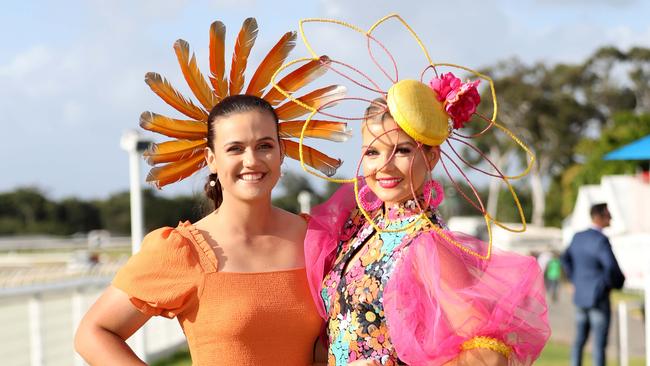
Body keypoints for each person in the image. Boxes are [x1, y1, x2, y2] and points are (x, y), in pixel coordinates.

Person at [280, 14, 551, 366]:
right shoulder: (358, 228)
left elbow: (488, 356)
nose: (385, 166)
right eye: (372, 152)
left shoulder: (428, 246)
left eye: (402, 151)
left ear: (431, 156)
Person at [75, 17, 346, 365]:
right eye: (235, 148)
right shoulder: (182, 251)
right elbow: (93, 332)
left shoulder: (317, 241)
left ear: (282, 152)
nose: (252, 160)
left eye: (264, 145)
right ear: (212, 159)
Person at [561, 203, 625, 366]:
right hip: (598, 297)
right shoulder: (600, 240)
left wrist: (575, 279)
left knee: (579, 341)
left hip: (581, 296)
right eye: (608, 215)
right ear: (600, 217)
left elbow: (564, 259)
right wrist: (611, 284)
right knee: (598, 345)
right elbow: (611, 267)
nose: (611, 218)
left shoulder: (578, 236)